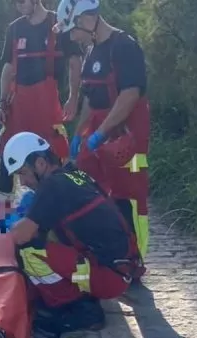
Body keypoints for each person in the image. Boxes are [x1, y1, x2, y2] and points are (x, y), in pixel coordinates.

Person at [0, 131, 145, 335]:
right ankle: (78, 293)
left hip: (109, 277)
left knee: (27, 250)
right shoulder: (74, 174)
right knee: (43, 234)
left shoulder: (51, 186)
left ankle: (75, 309)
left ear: (40, 163)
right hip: (120, 267)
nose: (23, 182)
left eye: (23, 173)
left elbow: (20, 236)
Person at [55, 0, 151, 259]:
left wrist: (102, 133)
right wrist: (80, 132)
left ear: (88, 19)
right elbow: (90, 97)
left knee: (127, 200)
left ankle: (134, 261)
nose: (73, 38)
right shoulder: (92, 51)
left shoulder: (124, 47)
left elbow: (130, 94)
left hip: (125, 138)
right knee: (94, 193)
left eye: (74, 31)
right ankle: (106, 252)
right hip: (99, 134)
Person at [0, 0, 83, 235]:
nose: (19, 6)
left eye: (22, 1)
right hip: (18, 106)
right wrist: (2, 102)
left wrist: (73, 98)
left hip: (47, 106)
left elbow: (74, 63)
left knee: (56, 164)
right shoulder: (15, 29)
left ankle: (67, 226)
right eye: (15, 3)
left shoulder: (59, 25)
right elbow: (8, 69)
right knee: (6, 166)